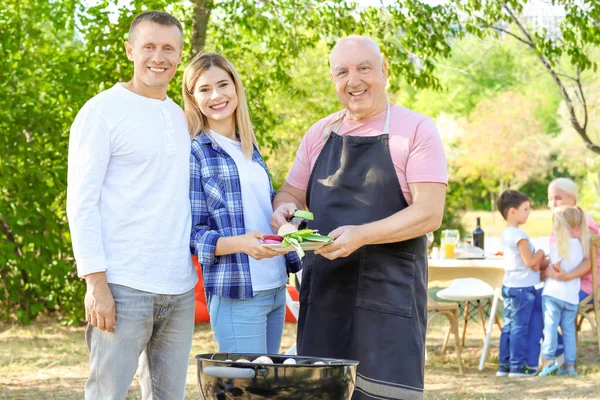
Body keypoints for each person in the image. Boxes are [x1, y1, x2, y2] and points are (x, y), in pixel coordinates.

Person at [271, 35, 447, 400]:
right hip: (325, 297)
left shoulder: (416, 130)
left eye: (364, 68)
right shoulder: (319, 134)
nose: (354, 81)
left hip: (390, 298)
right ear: (333, 80)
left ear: (384, 70)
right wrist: (282, 212)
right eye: (342, 72)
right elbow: (289, 193)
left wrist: (362, 235)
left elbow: (429, 213)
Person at [66, 11, 197, 399]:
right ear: (130, 51)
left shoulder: (179, 117)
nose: (159, 57)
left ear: (179, 55)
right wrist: (96, 283)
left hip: (179, 288)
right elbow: (81, 202)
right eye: (149, 47)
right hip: (122, 287)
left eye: (169, 48)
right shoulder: (102, 111)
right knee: (106, 394)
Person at [183, 53, 301, 354]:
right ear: (193, 98)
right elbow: (191, 234)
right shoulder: (195, 153)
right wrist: (241, 244)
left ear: (236, 87)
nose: (217, 95)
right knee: (245, 392)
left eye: (223, 84)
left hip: (275, 285)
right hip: (237, 292)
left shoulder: (248, 147)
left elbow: (261, 211)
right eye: (205, 89)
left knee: (265, 389)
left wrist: (284, 215)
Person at [496, 190, 545, 377]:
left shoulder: (506, 233)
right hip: (523, 289)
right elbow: (531, 262)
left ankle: (504, 365)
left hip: (510, 286)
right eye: (525, 209)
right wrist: (540, 252)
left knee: (509, 326)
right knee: (520, 328)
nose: (529, 213)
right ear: (512, 212)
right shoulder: (519, 235)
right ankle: (518, 367)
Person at [538, 206, 590, 377]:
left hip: (553, 293)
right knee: (569, 330)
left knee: (550, 326)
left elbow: (555, 269)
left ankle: (547, 360)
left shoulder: (558, 244)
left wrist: (545, 272)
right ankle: (570, 366)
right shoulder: (582, 245)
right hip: (572, 296)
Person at [546, 178, 598, 302]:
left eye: (558, 198)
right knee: (530, 298)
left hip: (587, 285)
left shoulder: (581, 222)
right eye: (550, 199)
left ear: (573, 199)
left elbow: (589, 261)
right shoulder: (561, 221)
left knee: (539, 301)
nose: (553, 204)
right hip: (567, 282)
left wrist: (566, 276)